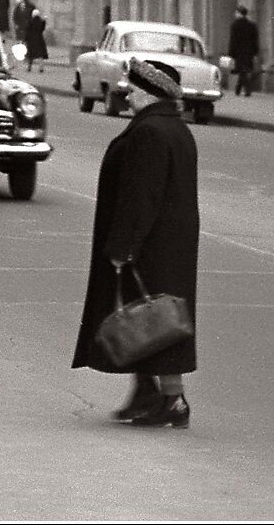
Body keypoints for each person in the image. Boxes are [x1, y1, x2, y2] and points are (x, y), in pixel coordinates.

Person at [72, 58, 199, 428]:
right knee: (151, 319)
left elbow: (141, 197)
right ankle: (146, 393)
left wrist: (122, 247)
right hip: (168, 244)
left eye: (134, 91)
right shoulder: (172, 127)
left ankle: (173, 400)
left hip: (150, 246)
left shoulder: (150, 132)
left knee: (157, 321)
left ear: (151, 94)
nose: (127, 96)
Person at [227, 5, 260, 97]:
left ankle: (247, 90)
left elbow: (233, 40)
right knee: (244, 70)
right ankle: (237, 89)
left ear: (239, 13)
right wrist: (255, 52)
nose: (235, 14)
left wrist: (231, 53)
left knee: (242, 70)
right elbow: (255, 40)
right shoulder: (252, 25)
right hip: (249, 52)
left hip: (239, 52)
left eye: (236, 13)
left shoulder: (235, 25)